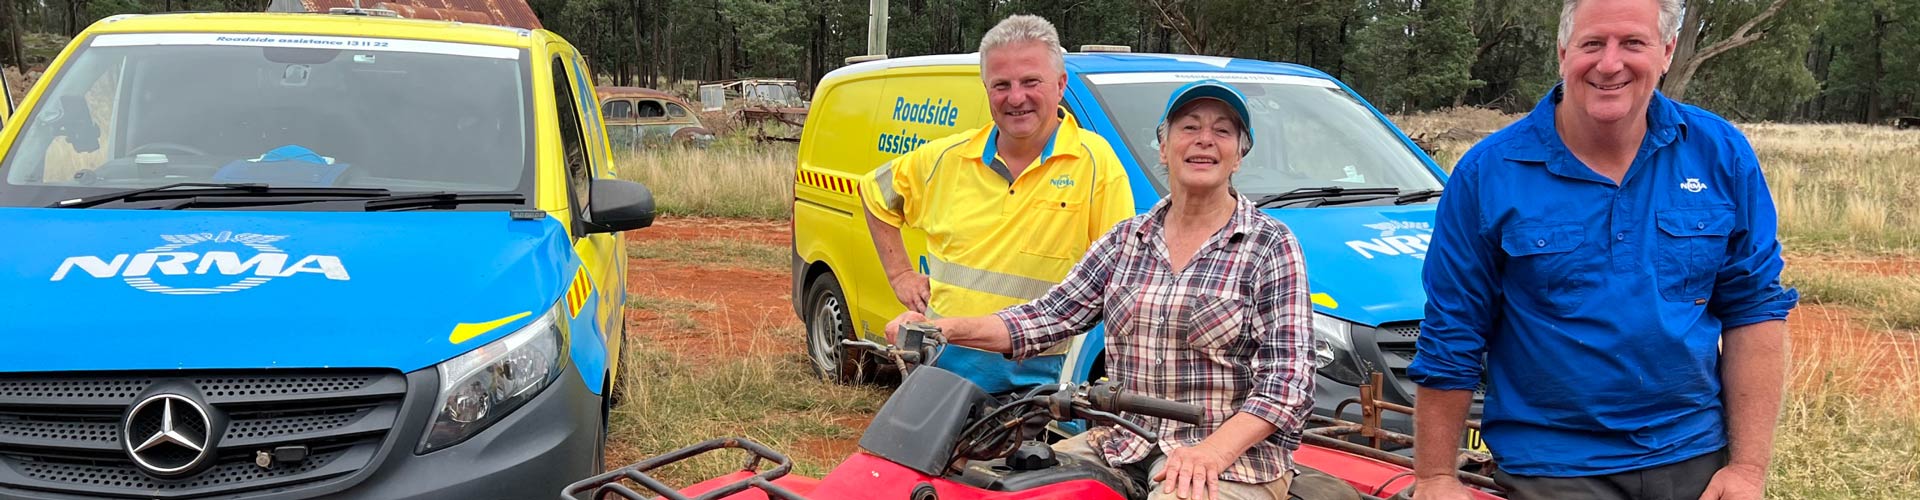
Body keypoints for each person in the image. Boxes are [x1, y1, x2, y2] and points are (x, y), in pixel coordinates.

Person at [1407, 1, 1800, 499]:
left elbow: (1754, 309)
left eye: (1632, 43)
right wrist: (1436, 477)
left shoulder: (1720, 154)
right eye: (1592, 43)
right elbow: (1453, 330)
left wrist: (1747, 469)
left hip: (1693, 454)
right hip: (1550, 467)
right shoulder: (1489, 174)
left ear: (1667, 52)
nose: (1609, 64)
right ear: (1563, 51)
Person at [885, 79, 1312, 500]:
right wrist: (944, 329)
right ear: (1163, 148)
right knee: (1007, 487)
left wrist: (1212, 452)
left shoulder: (1270, 245)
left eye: (1222, 131)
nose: (1204, 140)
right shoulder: (1126, 239)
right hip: (1122, 443)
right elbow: (1048, 317)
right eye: (1189, 127)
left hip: (1228, 459)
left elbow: (1288, 382)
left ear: (1239, 155)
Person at [860, 14, 1134, 394]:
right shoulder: (945, 158)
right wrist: (900, 275)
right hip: (940, 362)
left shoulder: (1096, 165)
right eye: (1001, 85)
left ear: (1060, 85)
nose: (1016, 97)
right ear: (986, 89)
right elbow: (873, 193)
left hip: (1037, 378)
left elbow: (1119, 279)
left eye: (1030, 82)